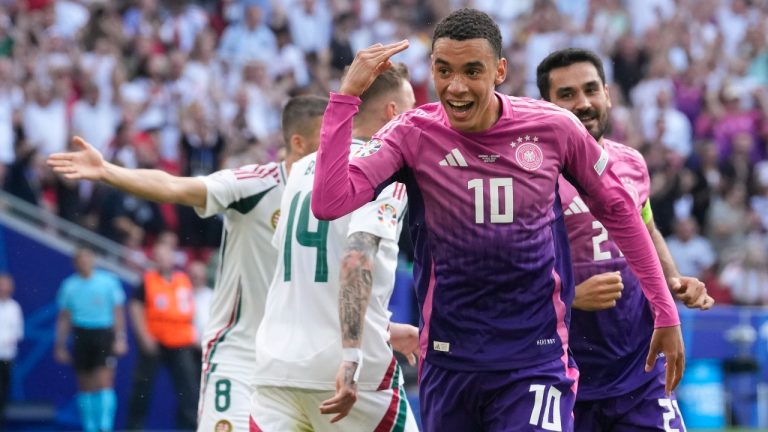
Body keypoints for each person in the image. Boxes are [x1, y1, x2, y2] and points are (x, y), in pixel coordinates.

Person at [310, 8, 684, 432]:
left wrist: (665, 310)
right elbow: (329, 201)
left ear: (500, 70)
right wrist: (347, 97)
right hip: (450, 361)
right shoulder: (411, 133)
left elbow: (622, 211)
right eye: (443, 70)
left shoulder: (553, 128)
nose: (456, 86)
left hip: (535, 358)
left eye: (472, 71)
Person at [47, 94, 331, 432]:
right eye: (327, 138)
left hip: (304, 360)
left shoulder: (343, 193)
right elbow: (174, 187)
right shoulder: (254, 185)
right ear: (298, 143)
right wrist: (107, 171)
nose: (339, 147)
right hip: (240, 355)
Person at [536, 47, 715, 431]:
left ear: (608, 94)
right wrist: (570, 296)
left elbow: (646, 229)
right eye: (566, 95)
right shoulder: (531, 178)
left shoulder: (631, 162)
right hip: (563, 374)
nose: (583, 103)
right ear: (546, 106)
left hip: (640, 367)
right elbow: (507, 266)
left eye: (590, 89)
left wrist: (672, 278)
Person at [250, 63, 419, 431]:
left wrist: (385, 329)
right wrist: (352, 356)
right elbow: (356, 256)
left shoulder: (301, 168)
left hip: (276, 370)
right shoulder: (384, 169)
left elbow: (311, 273)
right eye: (411, 109)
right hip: (348, 375)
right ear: (393, 113)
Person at [126, 242, 198, 430]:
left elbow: (191, 308)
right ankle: (134, 428)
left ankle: (188, 427)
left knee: (188, 390)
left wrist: (194, 334)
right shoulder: (147, 280)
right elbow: (136, 307)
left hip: (181, 341)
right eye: (158, 256)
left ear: (173, 258)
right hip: (155, 340)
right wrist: (144, 336)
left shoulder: (183, 279)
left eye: (165, 255)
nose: (162, 260)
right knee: (142, 388)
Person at [54, 247, 127, 432]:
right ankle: (90, 427)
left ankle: (105, 426)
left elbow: (118, 313)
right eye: (81, 259)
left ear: (93, 260)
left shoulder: (108, 282)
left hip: (103, 333)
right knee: (85, 383)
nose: (84, 262)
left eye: (88, 258)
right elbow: (64, 317)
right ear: (75, 263)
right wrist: (60, 345)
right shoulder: (69, 286)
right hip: (81, 334)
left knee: (104, 380)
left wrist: (120, 338)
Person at [0, 273, 23, 430]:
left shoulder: (15, 308)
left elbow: (18, 333)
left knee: (2, 393)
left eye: (6, 285)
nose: (3, 288)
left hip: (6, 357)